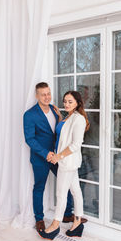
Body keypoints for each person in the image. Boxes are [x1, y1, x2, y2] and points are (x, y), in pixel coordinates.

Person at [23, 83, 87, 232]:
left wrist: (59, 116)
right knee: (39, 187)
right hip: (42, 157)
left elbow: (60, 131)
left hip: (59, 156)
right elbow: (30, 139)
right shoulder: (29, 114)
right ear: (37, 96)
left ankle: (67, 215)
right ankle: (39, 218)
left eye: (48, 93)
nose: (47, 97)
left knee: (68, 183)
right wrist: (46, 153)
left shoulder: (54, 109)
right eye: (43, 94)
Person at [39, 91, 90, 240]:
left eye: (70, 102)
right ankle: (78, 223)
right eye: (65, 101)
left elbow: (75, 145)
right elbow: (63, 136)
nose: (66, 104)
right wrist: (61, 118)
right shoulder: (69, 117)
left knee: (61, 194)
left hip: (67, 162)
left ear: (77, 103)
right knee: (76, 191)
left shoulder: (78, 119)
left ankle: (55, 225)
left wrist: (58, 157)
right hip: (66, 162)